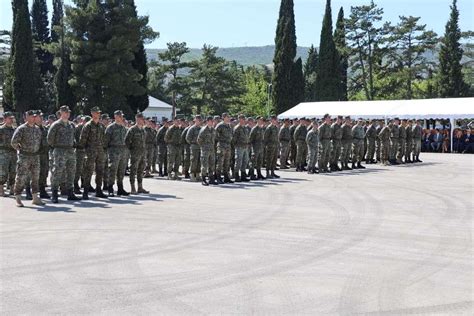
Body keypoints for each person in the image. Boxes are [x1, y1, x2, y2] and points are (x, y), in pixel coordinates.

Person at [11, 110, 45, 207]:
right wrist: (20, 149)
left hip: (35, 156)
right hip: (24, 156)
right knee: (21, 177)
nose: (34, 118)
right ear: (26, 118)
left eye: (34, 116)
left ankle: (35, 198)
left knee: (35, 178)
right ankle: (18, 197)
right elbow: (14, 142)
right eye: (31, 116)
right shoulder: (22, 129)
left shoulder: (38, 129)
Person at [47, 105, 81, 203]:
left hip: (70, 151)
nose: (67, 114)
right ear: (61, 113)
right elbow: (50, 139)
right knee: (57, 172)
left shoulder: (71, 125)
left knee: (71, 172)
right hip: (59, 151)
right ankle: (54, 193)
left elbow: (74, 137)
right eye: (65, 112)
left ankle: (70, 192)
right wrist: (57, 147)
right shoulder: (56, 125)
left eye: (68, 112)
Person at [79, 106, 108, 200]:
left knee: (100, 171)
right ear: (92, 113)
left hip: (100, 152)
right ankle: (86, 191)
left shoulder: (101, 126)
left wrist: (103, 149)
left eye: (99, 113)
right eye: (96, 113)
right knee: (89, 172)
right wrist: (85, 151)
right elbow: (82, 140)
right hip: (90, 152)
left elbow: (104, 138)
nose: (98, 115)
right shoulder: (88, 125)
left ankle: (98, 190)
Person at [104, 110, 129, 196]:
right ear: (116, 117)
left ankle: (120, 188)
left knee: (121, 170)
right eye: (120, 116)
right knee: (113, 170)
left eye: (122, 116)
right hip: (113, 151)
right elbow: (106, 141)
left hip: (123, 151)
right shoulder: (110, 128)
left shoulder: (124, 128)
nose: (122, 117)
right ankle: (110, 187)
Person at [125, 112, 149, 194]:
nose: (143, 120)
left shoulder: (142, 130)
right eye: (142, 119)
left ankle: (140, 187)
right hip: (135, 153)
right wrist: (132, 149)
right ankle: (133, 188)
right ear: (138, 119)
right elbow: (127, 141)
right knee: (133, 170)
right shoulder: (132, 129)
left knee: (141, 170)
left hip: (142, 153)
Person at [0, 112, 17, 197]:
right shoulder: (1, 129)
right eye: (10, 118)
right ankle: (1, 189)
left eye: (12, 118)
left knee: (13, 171)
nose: (11, 120)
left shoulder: (14, 129)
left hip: (13, 153)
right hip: (4, 153)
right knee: (3, 172)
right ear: (5, 119)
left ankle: (12, 188)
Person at [198, 116, 217, 186]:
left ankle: (211, 178)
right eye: (211, 121)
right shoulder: (203, 130)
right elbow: (199, 140)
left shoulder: (213, 129)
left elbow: (214, 139)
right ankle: (203, 179)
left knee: (212, 164)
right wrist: (204, 147)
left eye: (213, 121)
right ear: (208, 121)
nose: (213, 122)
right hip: (205, 150)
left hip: (212, 149)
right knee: (204, 165)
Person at [35, 111, 50, 199]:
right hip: (35, 154)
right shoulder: (32, 128)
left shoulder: (44, 129)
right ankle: (31, 191)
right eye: (39, 117)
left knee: (44, 172)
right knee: (34, 173)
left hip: (44, 154)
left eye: (42, 117)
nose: (41, 118)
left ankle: (42, 190)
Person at [215, 113, 233, 184]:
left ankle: (226, 177)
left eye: (229, 117)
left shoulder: (229, 125)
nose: (229, 118)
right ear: (224, 118)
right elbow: (215, 134)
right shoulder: (220, 125)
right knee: (220, 162)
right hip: (221, 146)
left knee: (227, 162)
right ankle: (218, 177)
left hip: (228, 146)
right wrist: (220, 140)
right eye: (227, 117)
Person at [233, 114, 250, 182]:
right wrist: (236, 146)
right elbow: (234, 139)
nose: (242, 120)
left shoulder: (245, 128)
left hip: (245, 147)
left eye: (243, 119)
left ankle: (243, 175)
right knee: (238, 161)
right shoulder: (237, 128)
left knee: (245, 161)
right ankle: (236, 175)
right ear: (239, 120)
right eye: (241, 119)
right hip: (239, 147)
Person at [185, 115, 203, 182]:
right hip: (194, 147)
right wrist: (193, 143)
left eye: (200, 120)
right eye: (198, 120)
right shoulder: (192, 128)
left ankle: (198, 174)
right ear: (195, 120)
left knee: (199, 161)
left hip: (200, 147)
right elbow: (187, 138)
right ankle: (192, 175)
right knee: (193, 161)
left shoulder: (201, 128)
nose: (199, 121)